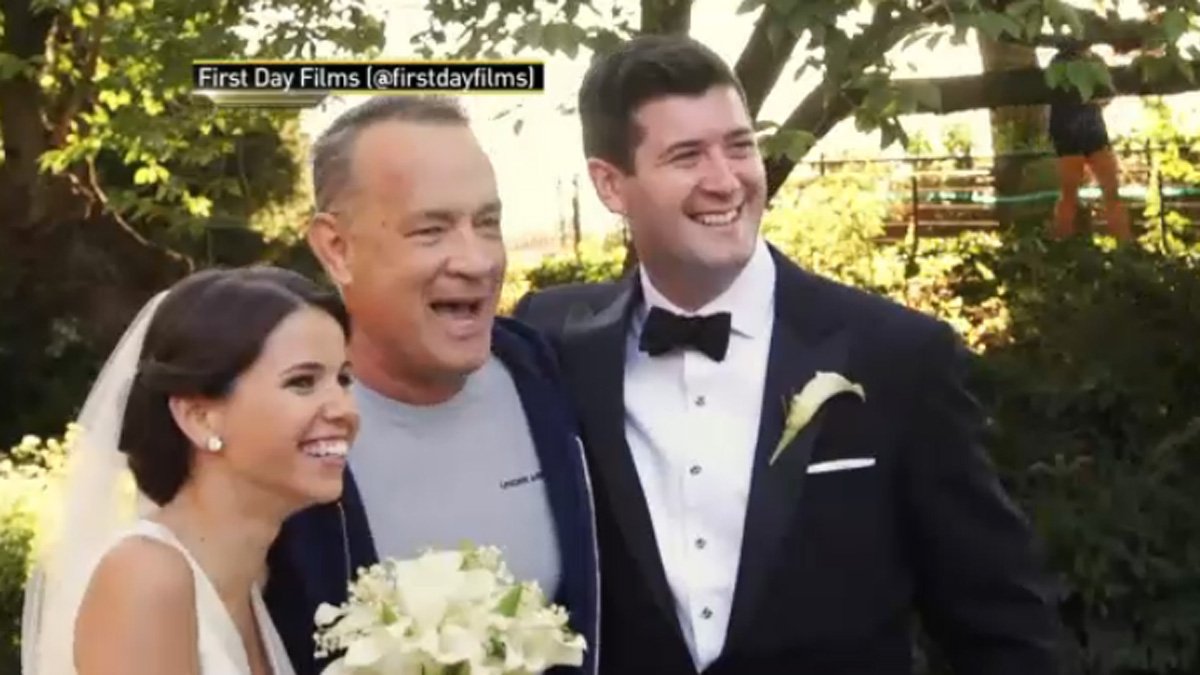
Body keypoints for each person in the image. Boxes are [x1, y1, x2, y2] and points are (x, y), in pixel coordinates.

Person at [514, 35, 1064, 675]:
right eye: (687, 156)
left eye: (740, 146)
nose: (726, 181)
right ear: (611, 185)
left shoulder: (897, 356)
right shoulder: (554, 345)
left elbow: (1003, 622)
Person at [263, 95, 599, 675]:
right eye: (431, 229)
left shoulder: (544, 374)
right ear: (335, 248)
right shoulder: (276, 432)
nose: (476, 260)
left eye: (487, 223)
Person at [21, 266, 359, 675]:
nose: (344, 409)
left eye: (343, 379)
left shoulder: (254, 583)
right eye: (303, 382)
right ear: (200, 417)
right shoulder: (147, 578)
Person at [1048, 43, 1132, 241]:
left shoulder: (1093, 60)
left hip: (1090, 130)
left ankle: (1125, 243)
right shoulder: (1060, 62)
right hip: (1069, 131)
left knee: (1110, 192)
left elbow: (1108, 93)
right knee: (1070, 194)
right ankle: (1062, 242)